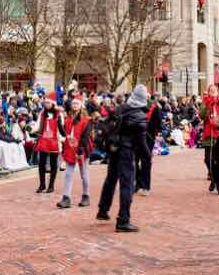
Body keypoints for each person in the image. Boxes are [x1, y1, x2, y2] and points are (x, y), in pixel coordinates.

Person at [96, 86, 151, 232]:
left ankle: (103, 210)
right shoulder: (139, 117)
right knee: (127, 185)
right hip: (126, 152)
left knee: (111, 179)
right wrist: (148, 157)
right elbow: (142, 143)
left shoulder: (121, 108)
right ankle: (123, 220)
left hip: (114, 148)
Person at [57, 98, 92, 209]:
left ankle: (86, 196)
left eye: (77, 103)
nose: (75, 105)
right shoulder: (68, 118)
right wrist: (59, 124)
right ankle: (66, 198)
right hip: (70, 149)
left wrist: (80, 150)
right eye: (73, 103)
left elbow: (85, 137)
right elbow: (65, 134)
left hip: (82, 149)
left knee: (84, 174)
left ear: (81, 105)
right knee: (68, 174)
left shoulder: (85, 120)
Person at [201, 84, 219, 195]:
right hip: (209, 133)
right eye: (211, 91)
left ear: (218, 92)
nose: (213, 93)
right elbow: (202, 116)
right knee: (208, 159)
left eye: (214, 91)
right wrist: (208, 106)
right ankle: (214, 178)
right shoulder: (205, 102)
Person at [34, 91, 62, 194]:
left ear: (53, 103)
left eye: (48, 103)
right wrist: (33, 129)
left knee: (53, 163)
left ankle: (51, 185)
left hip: (54, 140)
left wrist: (62, 139)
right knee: (41, 163)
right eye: (45, 103)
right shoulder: (42, 113)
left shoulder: (58, 113)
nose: (46, 105)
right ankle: (42, 184)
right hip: (44, 140)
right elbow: (38, 125)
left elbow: (61, 127)